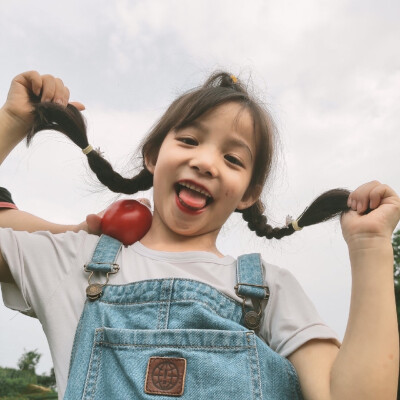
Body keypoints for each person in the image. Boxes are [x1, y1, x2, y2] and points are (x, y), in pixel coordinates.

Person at [0, 71, 399, 399]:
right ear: (153, 156)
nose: (206, 162)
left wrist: (370, 247)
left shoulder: (271, 289)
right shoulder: (75, 261)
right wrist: (13, 122)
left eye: (232, 158)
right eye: (189, 140)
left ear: (249, 193)